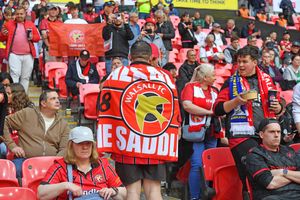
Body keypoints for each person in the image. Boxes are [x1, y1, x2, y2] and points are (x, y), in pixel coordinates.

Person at [97, 40, 180, 200]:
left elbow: (105, 103)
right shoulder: (165, 77)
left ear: (129, 56)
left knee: (132, 192)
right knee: (154, 191)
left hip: (127, 142)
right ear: (151, 57)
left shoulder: (117, 74)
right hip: (156, 143)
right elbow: (174, 109)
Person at [213, 46, 284, 199]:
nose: (241, 65)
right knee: (254, 172)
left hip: (265, 134)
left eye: (245, 61)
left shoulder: (267, 79)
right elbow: (217, 109)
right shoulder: (231, 82)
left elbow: (278, 104)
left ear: (255, 62)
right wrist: (237, 101)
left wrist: (279, 107)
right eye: (239, 62)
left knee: (270, 172)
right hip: (241, 136)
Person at [38, 126, 127, 200]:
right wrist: (66, 185)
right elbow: (41, 194)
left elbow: (124, 193)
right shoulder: (60, 167)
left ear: (93, 146)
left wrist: (113, 191)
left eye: (88, 143)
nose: (85, 147)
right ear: (71, 146)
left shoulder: (103, 165)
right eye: (80, 143)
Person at [1, 90, 70, 178]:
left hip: (52, 162)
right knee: (15, 170)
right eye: (53, 99)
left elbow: (64, 149)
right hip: (25, 160)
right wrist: (12, 146)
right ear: (43, 103)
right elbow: (3, 122)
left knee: (67, 172)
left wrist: (53, 163)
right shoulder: (27, 113)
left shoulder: (63, 124)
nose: (57, 101)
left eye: (58, 98)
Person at [181, 63, 222, 200]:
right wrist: (209, 113)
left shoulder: (215, 90)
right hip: (196, 132)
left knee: (210, 166)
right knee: (197, 164)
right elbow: (187, 105)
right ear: (204, 77)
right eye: (213, 75)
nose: (215, 77)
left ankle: (206, 195)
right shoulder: (190, 87)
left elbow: (219, 109)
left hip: (212, 132)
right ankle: (194, 197)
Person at [246, 118, 300, 200]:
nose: (276, 135)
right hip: (273, 196)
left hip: (296, 193)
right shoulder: (254, 155)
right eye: (272, 132)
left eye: (278, 132)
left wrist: (283, 172)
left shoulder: (289, 150)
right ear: (261, 134)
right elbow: (271, 183)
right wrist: (294, 176)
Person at [0, 6, 40, 92]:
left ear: (25, 14)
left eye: (21, 14)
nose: (19, 15)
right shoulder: (8, 24)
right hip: (14, 54)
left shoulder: (30, 24)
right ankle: (14, 97)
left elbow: (37, 38)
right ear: (15, 14)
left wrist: (32, 37)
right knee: (14, 75)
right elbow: (1, 38)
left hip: (28, 55)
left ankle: (23, 97)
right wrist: (4, 34)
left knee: (25, 77)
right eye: (17, 14)